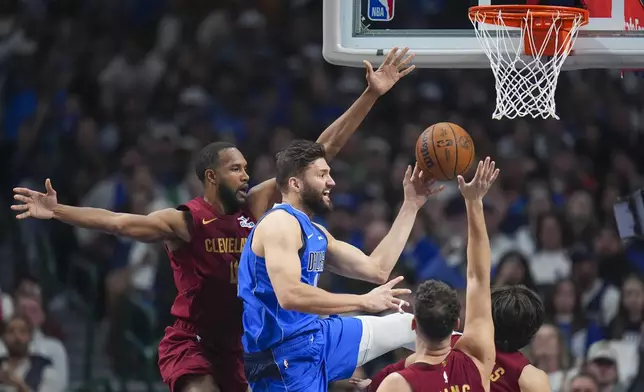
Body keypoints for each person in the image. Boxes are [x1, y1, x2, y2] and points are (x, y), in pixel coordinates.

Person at [10, 47, 416, 392]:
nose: (246, 175)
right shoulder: (184, 221)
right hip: (195, 341)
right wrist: (58, 210)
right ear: (211, 177)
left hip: (247, 343)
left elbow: (318, 152)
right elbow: (118, 222)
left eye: (245, 168)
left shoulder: (256, 208)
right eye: (236, 169)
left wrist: (370, 95)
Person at [237, 139, 444, 392]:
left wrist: (411, 204)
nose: (331, 182)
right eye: (322, 174)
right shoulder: (279, 224)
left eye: (330, 174)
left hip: (317, 336)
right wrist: (363, 302)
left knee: (411, 327)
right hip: (282, 360)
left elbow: (377, 269)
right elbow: (289, 295)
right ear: (295, 183)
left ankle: (487, 368)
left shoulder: (314, 231)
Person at [375, 158, 499, 392]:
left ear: (413, 324)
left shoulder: (396, 384)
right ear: (456, 324)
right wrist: (474, 202)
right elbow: (479, 280)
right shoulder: (478, 358)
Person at [358, 285, 550, 392]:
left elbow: (407, 364)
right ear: (531, 331)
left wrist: (371, 385)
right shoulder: (532, 378)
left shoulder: (457, 345)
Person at [0, 315, 65, 392]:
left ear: (30, 336)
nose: (17, 336)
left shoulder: (45, 370)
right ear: (3, 337)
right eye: (11, 331)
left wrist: (18, 385)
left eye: (23, 331)